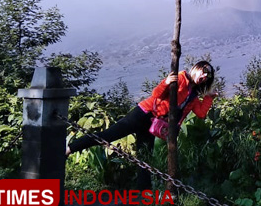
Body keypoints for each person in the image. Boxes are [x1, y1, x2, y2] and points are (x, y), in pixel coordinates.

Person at [66, 61, 216, 188]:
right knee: (107, 136)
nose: (204, 76)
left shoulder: (194, 95)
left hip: (154, 125)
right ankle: (69, 149)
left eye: (207, 76)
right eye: (203, 71)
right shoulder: (180, 77)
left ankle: (142, 196)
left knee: (145, 158)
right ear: (196, 68)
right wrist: (167, 82)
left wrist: (209, 97)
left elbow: (201, 114)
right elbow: (156, 94)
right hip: (143, 113)